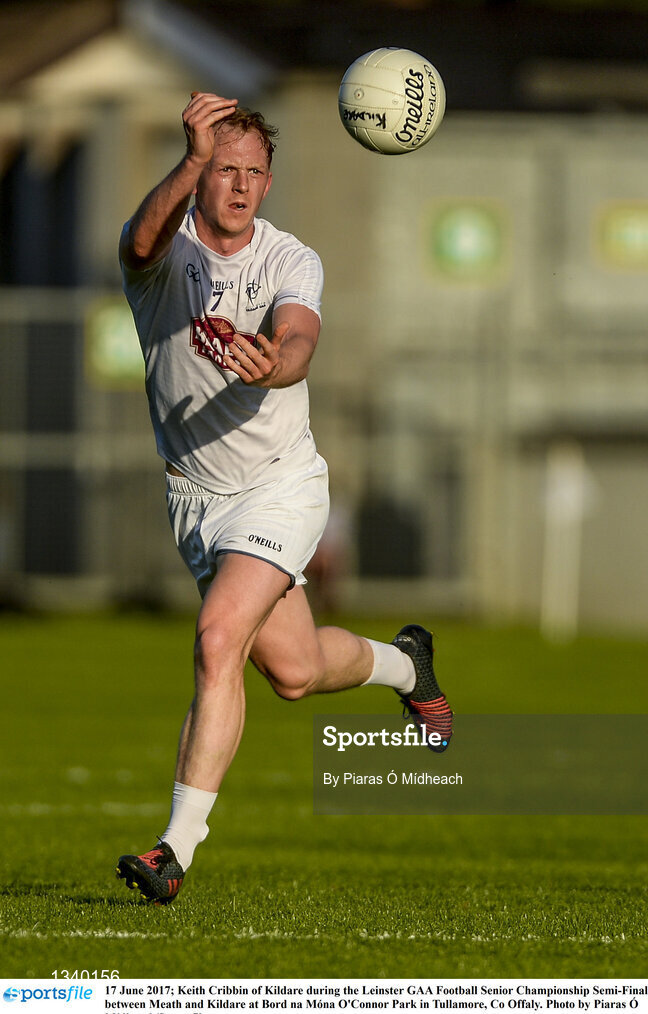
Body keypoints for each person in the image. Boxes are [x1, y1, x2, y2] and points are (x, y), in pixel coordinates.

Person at [115, 92, 453, 905]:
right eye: (221, 168)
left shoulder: (291, 257)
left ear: (269, 184)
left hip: (280, 486)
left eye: (250, 173)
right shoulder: (166, 257)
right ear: (200, 173)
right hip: (197, 499)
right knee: (295, 673)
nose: (235, 185)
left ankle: (174, 850)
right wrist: (189, 157)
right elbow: (138, 239)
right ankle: (409, 665)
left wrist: (278, 362)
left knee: (217, 635)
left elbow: (299, 338)